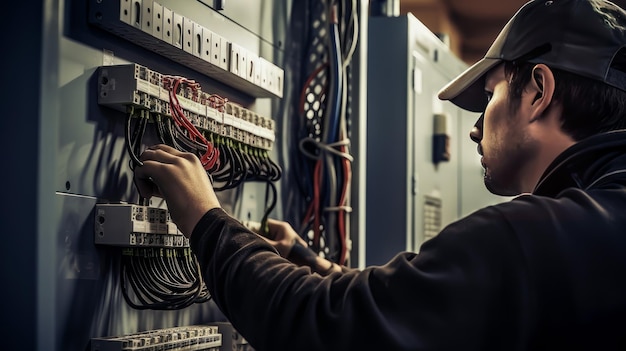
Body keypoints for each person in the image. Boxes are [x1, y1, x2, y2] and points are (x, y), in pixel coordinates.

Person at [133, 0, 626, 349]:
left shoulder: (533, 238)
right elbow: (419, 309)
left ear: (539, 90)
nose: (475, 131)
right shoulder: (591, 229)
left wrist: (205, 217)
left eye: (492, 95)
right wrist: (310, 262)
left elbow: (322, 327)